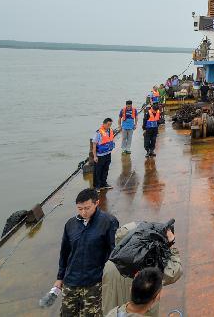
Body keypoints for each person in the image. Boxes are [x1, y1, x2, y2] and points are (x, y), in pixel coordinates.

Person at [54, 188, 119, 317]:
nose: (83, 212)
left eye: (87, 208)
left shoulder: (109, 222)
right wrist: (60, 277)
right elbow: (65, 253)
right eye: (79, 208)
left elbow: (114, 252)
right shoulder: (70, 224)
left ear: (97, 203)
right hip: (71, 281)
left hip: (94, 282)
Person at [101, 223, 181, 317]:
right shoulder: (146, 268)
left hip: (116, 311)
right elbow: (174, 273)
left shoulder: (109, 263)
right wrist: (171, 245)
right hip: (142, 312)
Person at [92, 118, 118, 191]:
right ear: (104, 124)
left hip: (108, 154)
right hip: (100, 155)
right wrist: (95, 156)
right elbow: (94, 145)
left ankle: (104, 183)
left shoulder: (110, 131)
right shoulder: (98, 132)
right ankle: (97, 186)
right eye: (108, 125)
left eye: (110, 125)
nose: (109, 126)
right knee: (98, 170)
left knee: (106, 169)